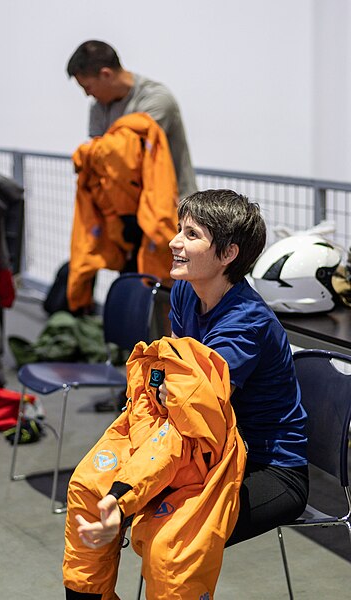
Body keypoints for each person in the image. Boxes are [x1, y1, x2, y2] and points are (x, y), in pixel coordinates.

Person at [63, 189, 308, 598]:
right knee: (89, 491)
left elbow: (188, 414)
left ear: (228, 254)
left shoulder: (246, 326)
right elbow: (166, 400)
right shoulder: (185, 290)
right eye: (180, 229)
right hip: (201, 449)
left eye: (191, 234)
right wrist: (119, 488)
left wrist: (127, 498)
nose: (175, 241)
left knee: (167, 542)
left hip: (266, 466)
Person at [66, 40, 197, 199]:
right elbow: (98, 159)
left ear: (106, 74)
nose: (87, 94)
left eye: (88, 87)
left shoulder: (156, 99)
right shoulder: (99, 106)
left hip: (171, 206)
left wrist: (98, 153)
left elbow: (130, 156)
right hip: (124, 207)